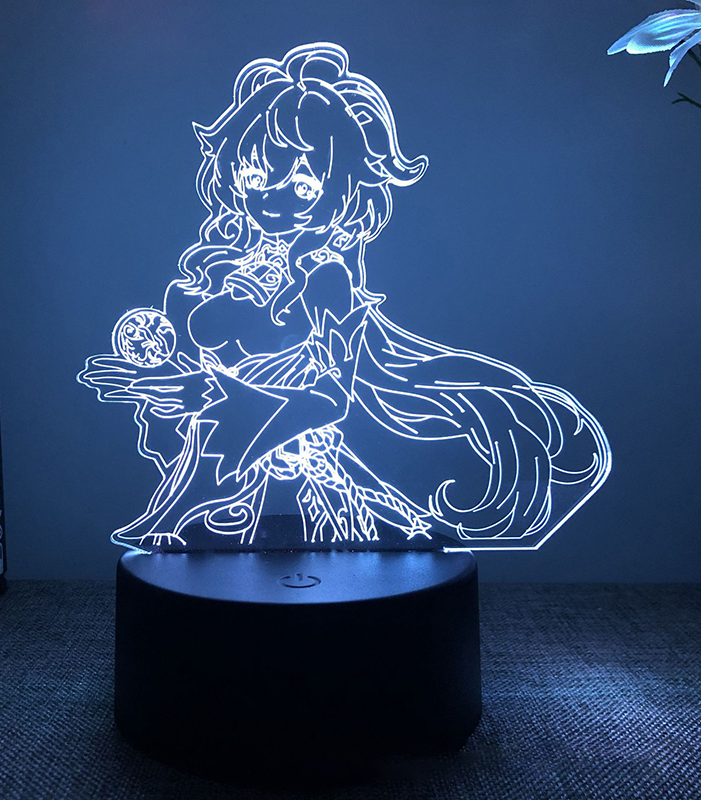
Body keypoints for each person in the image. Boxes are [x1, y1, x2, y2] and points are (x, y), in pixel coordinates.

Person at [79, 42, 610, 551]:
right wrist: (168, 378)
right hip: (245, 438)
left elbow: (335, 391)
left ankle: (393, 529)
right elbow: (206, 355)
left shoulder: (325, 276)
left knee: (327, 493)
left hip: (296, 430)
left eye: (302, 187)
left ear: (341, 192)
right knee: (251, 490)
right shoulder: (227, 268)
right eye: (255, 176)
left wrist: (247, 403)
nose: (271, 199)